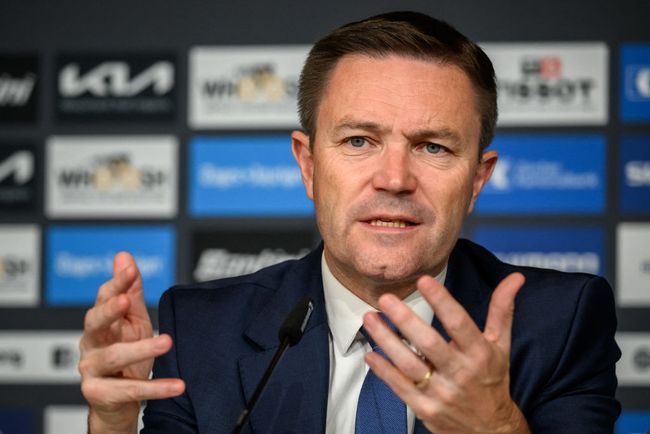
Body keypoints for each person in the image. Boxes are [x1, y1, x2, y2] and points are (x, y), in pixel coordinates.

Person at [78, 11, 620, 434]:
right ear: (309, 166)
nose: (394, 179)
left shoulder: (560, 324)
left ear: (477, 179)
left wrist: (495, 428)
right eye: (359, 141)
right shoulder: (203, 328)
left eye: (432, 147)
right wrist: (113, 424)